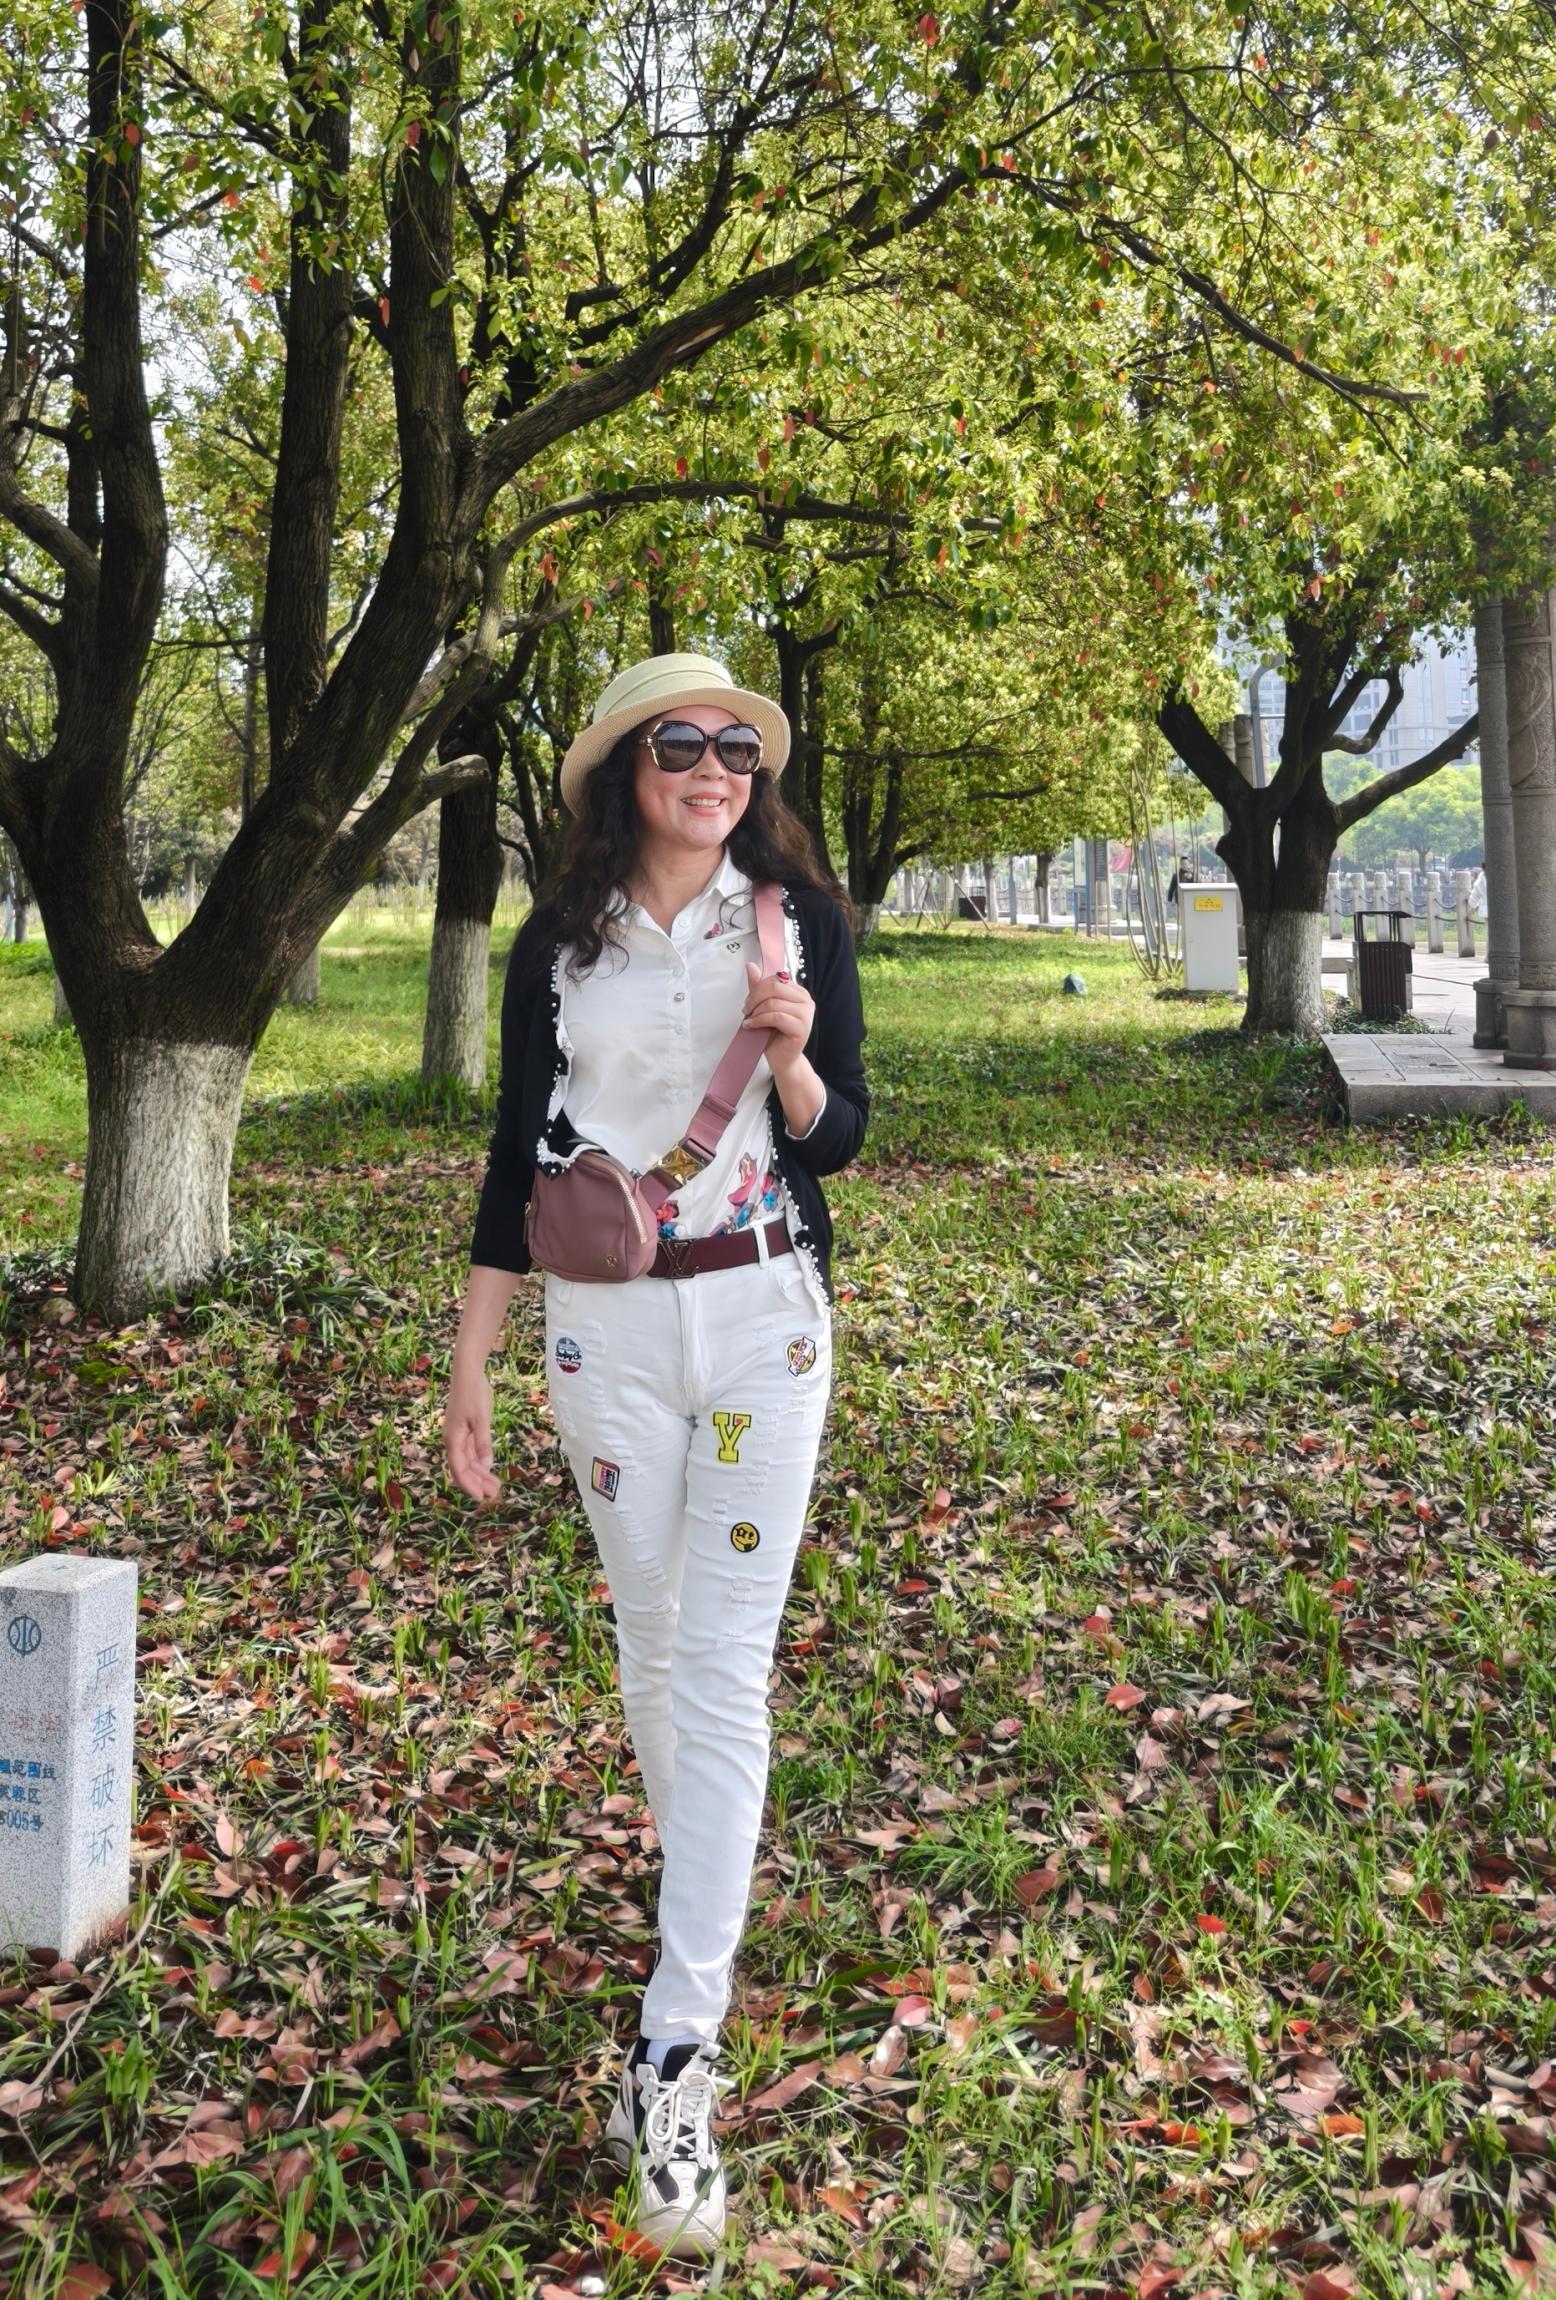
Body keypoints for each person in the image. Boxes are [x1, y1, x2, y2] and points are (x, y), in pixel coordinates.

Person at [442, 653, 868, 2259]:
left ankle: (676, 2052)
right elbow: (514, 1157)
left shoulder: (799, 923)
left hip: (764, 1324)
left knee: (726, 1671)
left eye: (739, 748)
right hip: (603, 1337)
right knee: (654, 1643)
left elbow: (841, 1134)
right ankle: (710, 1902)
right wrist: (471, 1359)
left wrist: (793, 1053)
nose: (714, 769)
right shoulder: (558, 946)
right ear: (625, 768)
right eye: (682, 744)